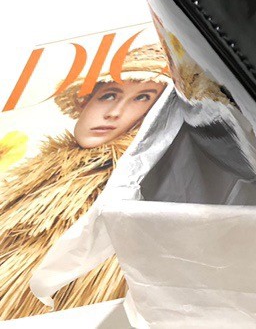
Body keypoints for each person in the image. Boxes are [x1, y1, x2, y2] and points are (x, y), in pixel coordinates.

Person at [0, 45, 169, 320]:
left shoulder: (137, 188)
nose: (114, 112)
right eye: (109, 95)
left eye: (142, 98)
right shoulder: (40, 174)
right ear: (86, 103)